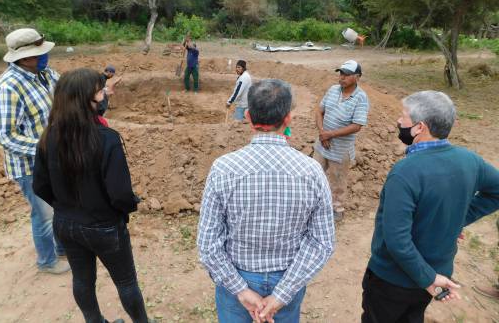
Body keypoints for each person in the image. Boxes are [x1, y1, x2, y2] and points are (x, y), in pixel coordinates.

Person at [198, 79, 335, 323]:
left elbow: (208, 245)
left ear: (248, 117)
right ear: (288, 119)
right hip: (288, 279)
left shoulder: (224, 169)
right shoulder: (311, 171)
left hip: (237, 278)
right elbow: (322, 242)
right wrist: (282, 294)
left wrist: (240, 289)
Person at [361, 90, 499, 323]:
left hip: (394, 280)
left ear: (419, 127)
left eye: (403, 116)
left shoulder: (405, 172)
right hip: (438, 273)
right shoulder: (469, 160)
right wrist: (458, 218)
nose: (398, 121)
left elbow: (396, 240)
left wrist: (427, 279)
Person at [33, 68, 149, 323]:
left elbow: (39, 185)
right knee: (127, 283)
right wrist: (128, 207)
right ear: (86, 99)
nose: (104, 94)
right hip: (104, 227)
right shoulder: (107, 140)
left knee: (83, 280)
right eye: (100, 90)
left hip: (65, 225)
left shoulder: (49, 136)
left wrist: (64, 207)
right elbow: (120, 195)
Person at [0, 28, 69, 274]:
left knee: (58, 205)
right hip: (29, 165)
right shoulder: (8, 87)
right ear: (24, 58)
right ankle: (47, 261)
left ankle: (62, 247)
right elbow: (5, 136)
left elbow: (65, 94)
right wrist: (46, 147)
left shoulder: (45, 74)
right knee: (43, 213)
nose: (45, 57)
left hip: (53, 159)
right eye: (39, 54)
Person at [314, 59, 369, 221]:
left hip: (341, 149)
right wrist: (322, 132)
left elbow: (357, 125)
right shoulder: (332, 90)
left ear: (357, 77)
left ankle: (337, 208)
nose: (342, 77)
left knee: (338, 180)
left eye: (347, 74)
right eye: (341, 73)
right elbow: (319, 111)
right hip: (322, 144)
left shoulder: (361, 98)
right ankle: (314, 202)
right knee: (315, 173)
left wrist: (330, 135)